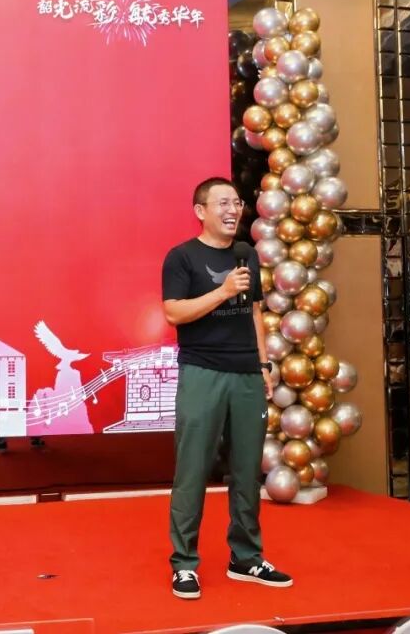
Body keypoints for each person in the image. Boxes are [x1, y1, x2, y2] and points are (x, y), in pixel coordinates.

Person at [161, 177, 292, 600]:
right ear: (200, 211)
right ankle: (184, 563)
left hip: (247, 374)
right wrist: (222, 291)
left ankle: (246, 557)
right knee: (193, 469)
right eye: (223, 203)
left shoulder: (246, 254)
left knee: (247, 470)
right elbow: (174, 313)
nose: (233, 209)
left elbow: (254, 312)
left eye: (236, 202)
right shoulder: (181, 257)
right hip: (202, 372)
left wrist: (264, 362)